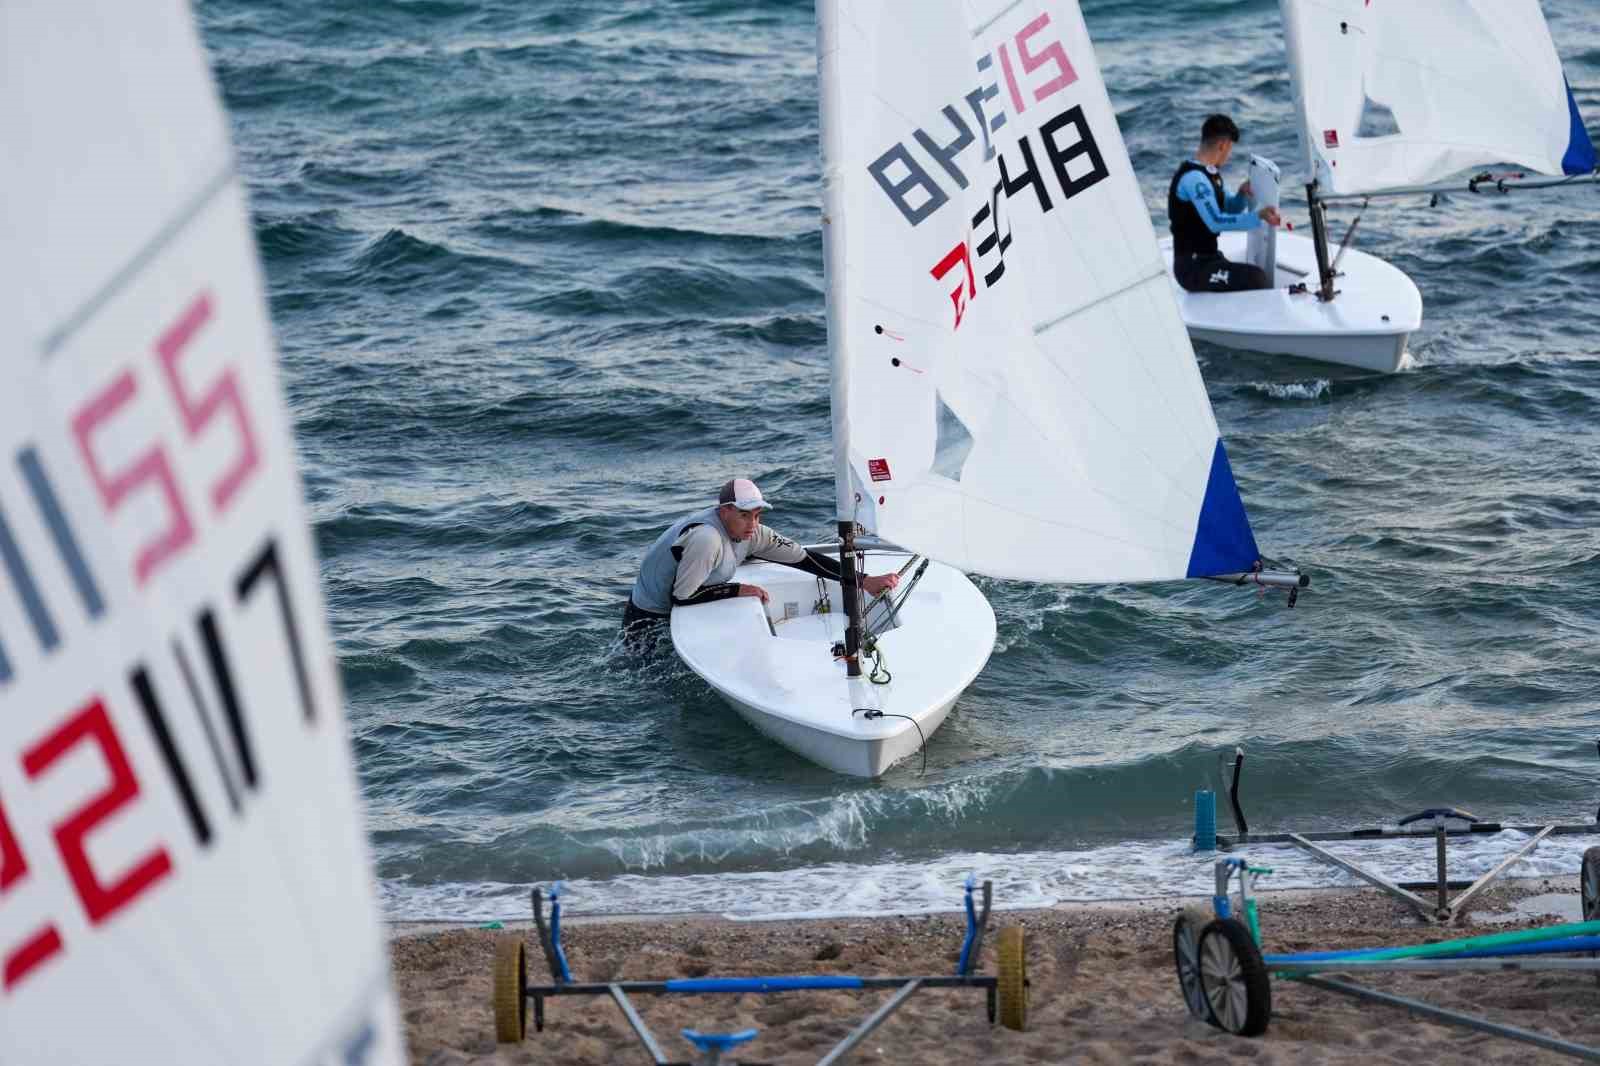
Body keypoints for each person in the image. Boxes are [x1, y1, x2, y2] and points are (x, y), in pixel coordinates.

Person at [623, 478, 899, 640]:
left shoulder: (753, 533)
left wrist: (863, 581)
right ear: (724, 511)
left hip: (684, 605)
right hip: (647, 617)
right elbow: (682, 597)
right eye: (744, 515)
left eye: (757, 515)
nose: (752, 524)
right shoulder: (706, 539)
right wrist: (738, 589)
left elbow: (804, 560)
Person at [1168, 114, 1282, 293]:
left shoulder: (1210, 173)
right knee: (1257, 278)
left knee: (1253, 276)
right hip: (1191, 268)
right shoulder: (1195, 179)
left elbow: (1229, 207)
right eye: (1230, 149)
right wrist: (1258, 216)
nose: (1229, 156)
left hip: (1210, 258)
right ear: (1223, 145)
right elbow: (1216, 222)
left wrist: (1241, 195)